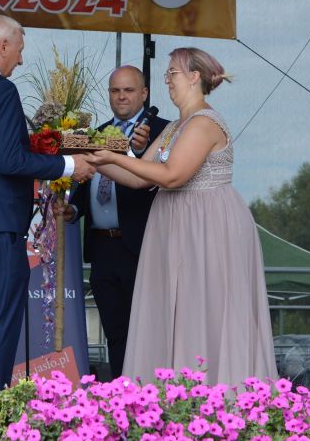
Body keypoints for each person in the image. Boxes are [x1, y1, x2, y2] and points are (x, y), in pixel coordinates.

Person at [88, 48, 277, 386]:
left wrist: (110, 155)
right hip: (177, 223)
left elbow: (173, 175)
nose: (167, 80)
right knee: (177, 309)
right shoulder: (176, 126)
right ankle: (173, 389)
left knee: (203, 307)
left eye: (172, 73)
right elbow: (138, 177)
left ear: (194, 77)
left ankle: (213, 387)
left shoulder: (204, 123)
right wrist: (91, 158)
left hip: (205, 226)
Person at [0, 15, 95, 389]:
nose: (21, 60)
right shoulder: (0, 90)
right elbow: (9, 160)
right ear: (4, 45)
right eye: (20, 50)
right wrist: (69, 165)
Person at [60, 65, 169, 379]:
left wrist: (138, 150)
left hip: (142, 246)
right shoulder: (98, 133)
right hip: (102, 248)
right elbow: (87, 184)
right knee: (115, 331)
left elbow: (161, 180)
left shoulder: (162, 131)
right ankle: (123, 392)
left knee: (147, 330)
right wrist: (74, 209)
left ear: (144, 94)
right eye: (115, 90)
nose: (121, 96)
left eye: (129, 90)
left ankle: (152, 392)